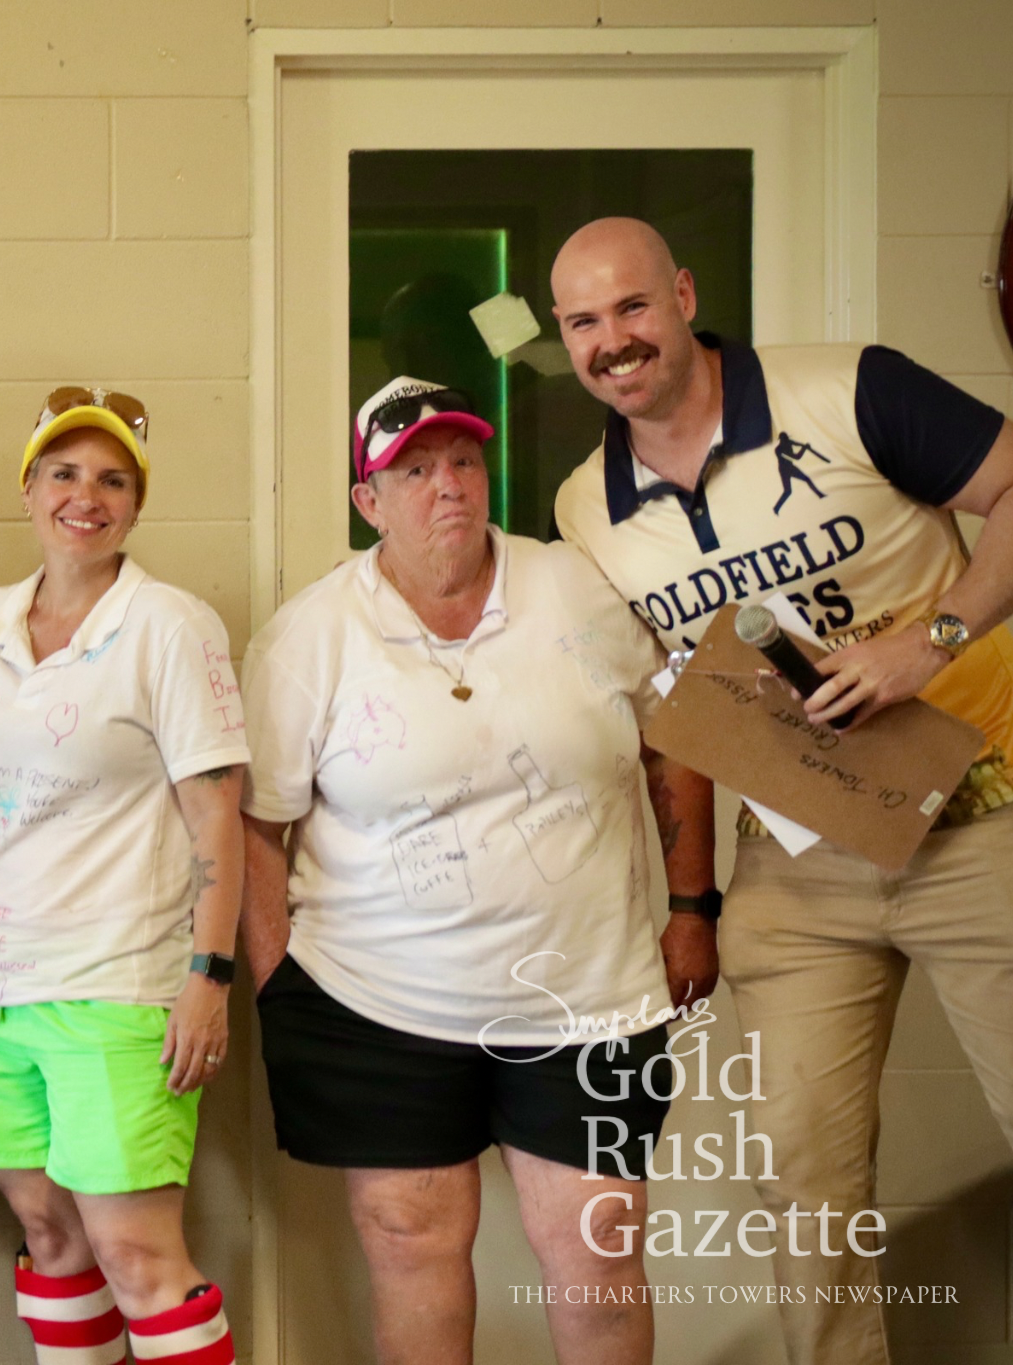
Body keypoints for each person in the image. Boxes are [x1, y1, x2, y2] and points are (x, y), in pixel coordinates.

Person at [547, 216, 1013, 1365]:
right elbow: (682, 712)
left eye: (632, 306)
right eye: (582, 322)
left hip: (983, 818)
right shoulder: (581, 510)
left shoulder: (844, 389)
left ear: (683, 294)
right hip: (798, 869)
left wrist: (932, 639)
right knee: (802, 1184)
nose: (614, 341)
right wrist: (693, 904)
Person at [239, 378, 706, 1365]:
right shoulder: (309, 635)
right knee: (409, 1244)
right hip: (375, 999)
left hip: (586, 996)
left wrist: (690, 908)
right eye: (413, 470)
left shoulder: (573, 587)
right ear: (367, 501)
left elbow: (677, 739)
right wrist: (277, 978)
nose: (445, 484)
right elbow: (258, 822)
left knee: (596, 1246)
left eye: (460, 461)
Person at [0, 388, 248, 1365]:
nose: (86, 495)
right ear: (26, 489)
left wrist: (208, 978)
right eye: (64, 473)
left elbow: (216, 812)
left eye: (113, 479)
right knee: (51, 1239)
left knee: (134, 1251)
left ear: (137, 504)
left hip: (117, 986)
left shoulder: (167, 624)